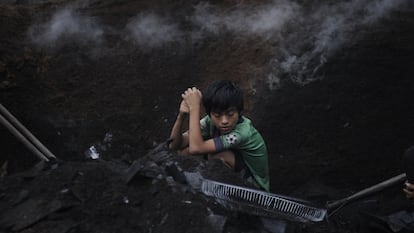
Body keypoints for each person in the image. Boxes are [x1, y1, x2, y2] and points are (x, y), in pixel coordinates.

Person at [169, 80, 270, 191]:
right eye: (217, 115)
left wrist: (194, 108)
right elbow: (174, 145)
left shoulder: (242, 133)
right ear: (210, 114)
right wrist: (181, 115)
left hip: (255, 188)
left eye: (230, 114)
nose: (224, 121)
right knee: (184, 152)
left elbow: (196, 148)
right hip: (237, 168)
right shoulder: (209, 121)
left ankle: (212, 192)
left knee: (220, 156)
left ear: (239, 112)